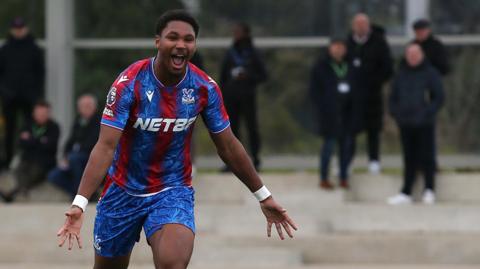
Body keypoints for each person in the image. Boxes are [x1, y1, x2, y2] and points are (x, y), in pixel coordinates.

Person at [57, 10, 297, 269]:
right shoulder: (129, 83)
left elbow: (228, 145)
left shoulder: (204, 88)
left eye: (189, 39)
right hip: (122, 190)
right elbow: (105, 146)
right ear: (158, 41)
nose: (181, 45)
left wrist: (263, 195)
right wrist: (80, 203)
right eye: (173, 37)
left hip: (172, 190)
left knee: (173, 263)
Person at [387, 44, 444, 205]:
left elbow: (438, 97)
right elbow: (393, 98)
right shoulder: (400, 74)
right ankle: (406, 192)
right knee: (409, 158)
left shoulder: (431, 73)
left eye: (415, 53)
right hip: (405, 123)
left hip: (425, 123)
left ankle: (429, 190)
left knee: (427, 156)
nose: (412, 56)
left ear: (421, 55)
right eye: (409, 54)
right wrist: (396, 114)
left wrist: (426, 113)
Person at [309, 39, 365, 190]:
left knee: (346, 147)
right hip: (329, 115)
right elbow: (314, 92)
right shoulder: (321, 66)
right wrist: (323, 107)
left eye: (341, 47)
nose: (338, 50)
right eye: (335, 47)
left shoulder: (352, 66)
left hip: (347, 114)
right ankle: (324, 178)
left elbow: (359, 89)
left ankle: (344, 177)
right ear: (330, 49)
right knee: (328, 147)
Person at [346, 13, 393, 174]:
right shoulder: (348, 43)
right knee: (350, 130)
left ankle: (374, 161)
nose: (360, 28)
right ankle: (348, 161)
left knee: (373, 130)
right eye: (357, 25)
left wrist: (374, 82)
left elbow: (388, 68)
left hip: (373, 95)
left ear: (368, 26)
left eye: (363, 24)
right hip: (352, 96)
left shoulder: (379, 43)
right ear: (353, 26)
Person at [219, 22, 267, 171]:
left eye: (239, 32)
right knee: (232, 130)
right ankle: (231, 162)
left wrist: (248, 76)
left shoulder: (253, 53)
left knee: (252, 128)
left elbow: (263, 75)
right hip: (231, 97)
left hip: (248, 97)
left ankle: (256, 160)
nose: (236, 35)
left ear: (246, 34)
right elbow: (223, 75)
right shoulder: (231, 52)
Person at [0, 17, 45, 169]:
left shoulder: (34, 49)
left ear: (25, 29)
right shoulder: (5, 49)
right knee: (10, 129)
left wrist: (36, 94)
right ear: (12, 30)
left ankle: (28, 160)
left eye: (21, 28)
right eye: (16, 28)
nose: (18, 31)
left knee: (30, 129)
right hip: (9, 97)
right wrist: (5, 92)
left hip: (29, 98)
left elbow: (40, 74)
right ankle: (7, 160)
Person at [0, 101, 59, 202]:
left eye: (44, 114)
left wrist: (31, 140)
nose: (41, 116)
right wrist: (40, 141)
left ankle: (13, 193)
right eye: (39, 114)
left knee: (34, 172)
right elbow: (21, 143)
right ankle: (19, 192)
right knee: (18, 171)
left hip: (44, 162)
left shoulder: (54, 127)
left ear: (48, 114)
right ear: (34, 114)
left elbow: (50, 146)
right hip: (27, 159)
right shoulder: (28, 124)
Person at [48, 94, 101, 198]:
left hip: (90, 157)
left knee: (74, 159)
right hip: (74, 157)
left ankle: (80, 195)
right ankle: (81, 193)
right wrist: (65, 157)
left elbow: (93, 143)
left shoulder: (99, 121)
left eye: (88, 106)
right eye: (83, 106)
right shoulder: (78, 121)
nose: (85, 109)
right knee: (53, 176)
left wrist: (73, 154)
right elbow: (70, 141)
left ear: (94, 107)